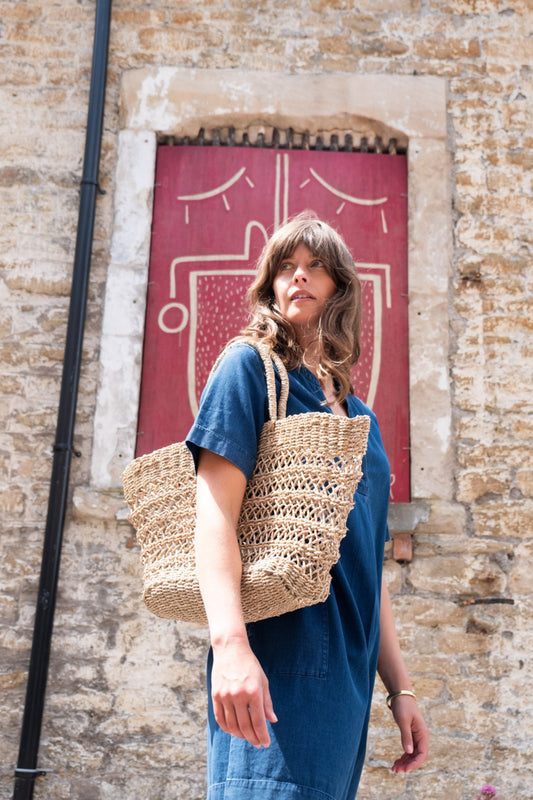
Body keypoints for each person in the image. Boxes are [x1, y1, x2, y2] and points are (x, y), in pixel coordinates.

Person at [186, 214, 429, 800]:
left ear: (340, 286)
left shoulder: (363, 422)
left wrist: (400, 690)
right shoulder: (247, 367)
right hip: (275, 665)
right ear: (270, 284)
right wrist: (230, 649)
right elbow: (213, 515)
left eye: (315, 266)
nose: (299, 278)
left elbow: (368, 563)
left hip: (347, 684)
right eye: (285, 268)